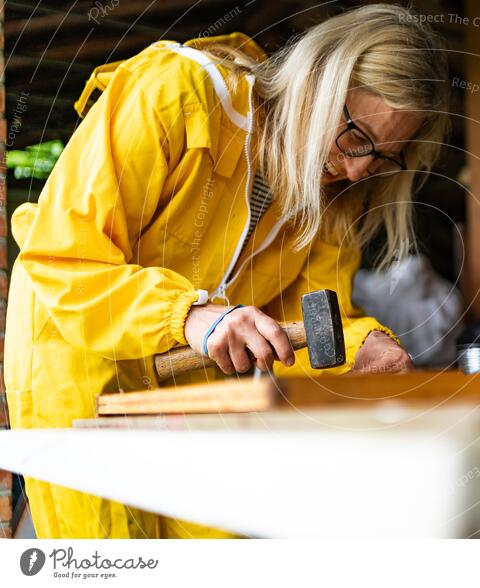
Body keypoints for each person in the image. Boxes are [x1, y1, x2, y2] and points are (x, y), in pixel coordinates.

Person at [4, 4, 450, 538]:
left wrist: (362, 347)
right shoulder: (178, 93)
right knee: (112, 554)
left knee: (221, 543)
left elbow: (309, 324)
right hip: (78, 348)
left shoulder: (334, 195)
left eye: (382, 157)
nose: (357, 169)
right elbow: (64, 255)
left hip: (201, 378)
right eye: (355, 138)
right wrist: (189, 314)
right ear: (316, 82)